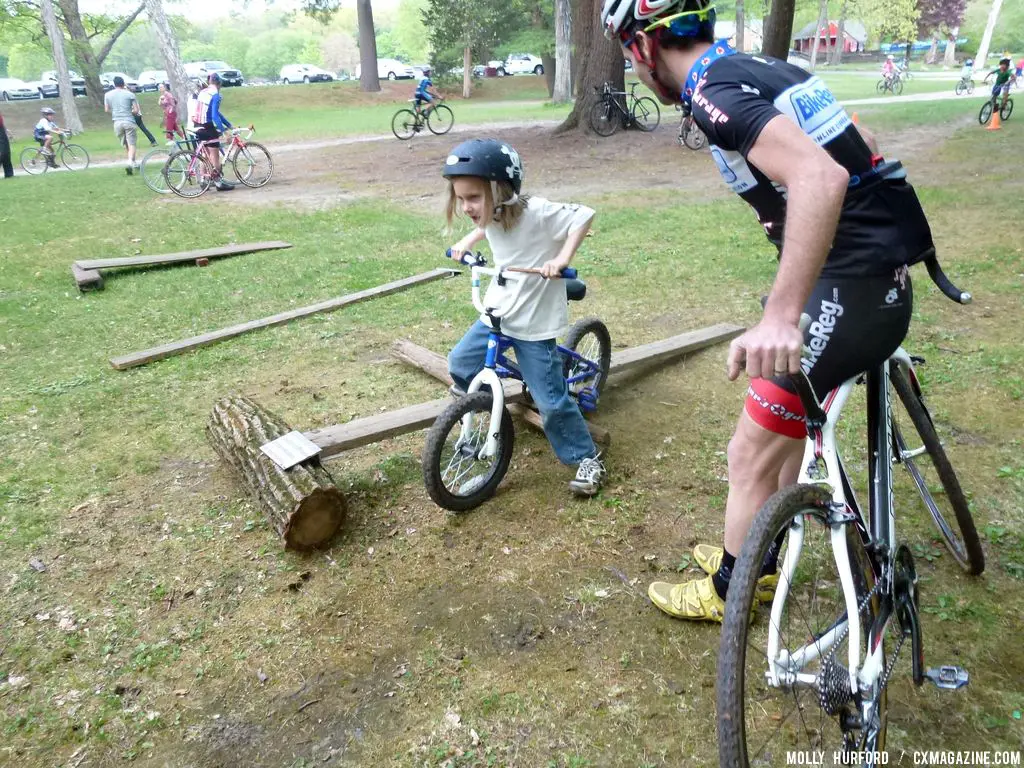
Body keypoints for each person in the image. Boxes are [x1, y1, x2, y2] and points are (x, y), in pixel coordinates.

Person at [600, 0, 935, 621]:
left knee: (748, 453)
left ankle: (735, 589)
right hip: (871, 282)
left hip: (848, 295)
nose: (633, 69)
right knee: (776, 442)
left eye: (628, 57)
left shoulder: (709, 89)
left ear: (643, 48)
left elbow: (821, 177)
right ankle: (761, 546)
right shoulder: (761, 65)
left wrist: (782, 315)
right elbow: (861, 141)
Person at [443, 138, 607, 498]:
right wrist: (469, 241)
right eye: (460, 197)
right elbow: (489, 227)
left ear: (500, 190)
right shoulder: (494, 215)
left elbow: (584, 214)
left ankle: (587, 458)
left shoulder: (538, 211)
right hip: (499, 311)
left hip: (533, 323)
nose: (466, 206)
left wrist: (561, 258)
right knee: (459, 363)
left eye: (473, 197)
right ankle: (489, 405)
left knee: (551, 403)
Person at [192, 73, 235, 191]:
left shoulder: (203, 92)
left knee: (205, 155)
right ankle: (218, 183)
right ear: (219, 83)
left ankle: (204, 180)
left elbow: (214, 112)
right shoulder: (216, 95)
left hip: (197, 125)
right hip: (207, 126)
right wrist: (225, 132)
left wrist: (228, 125)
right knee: (215, 155)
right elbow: (215, 116)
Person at [103, 75, 140, 175]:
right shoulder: (130, 94)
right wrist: (129, 112)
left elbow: (106, 110)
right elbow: (136, 110)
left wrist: (115, 113)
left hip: (117, 122)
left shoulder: (107, 95)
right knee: (132, 143)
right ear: (123, 83)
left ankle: (133, 162)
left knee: (126, 144)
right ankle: (130, 162)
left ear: (114, 84)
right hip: (129, 121)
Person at [0, 110, 13, 179]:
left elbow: (1, 124)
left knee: (7, 153)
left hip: (1, 131)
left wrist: (6, 131)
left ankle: (9, 174)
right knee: (2, 153)